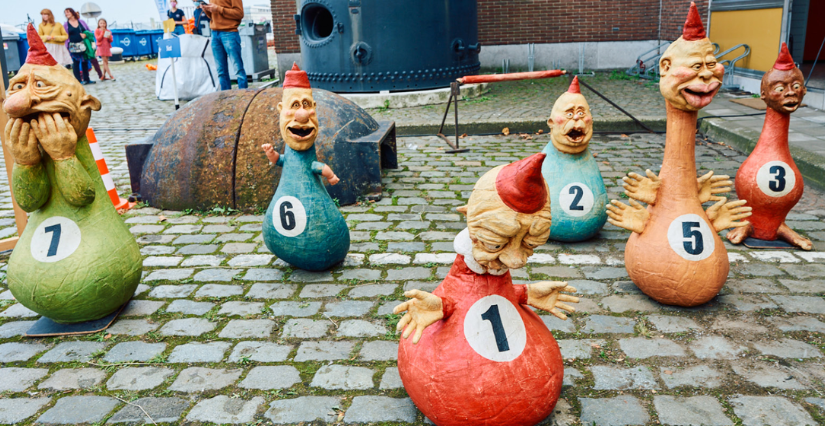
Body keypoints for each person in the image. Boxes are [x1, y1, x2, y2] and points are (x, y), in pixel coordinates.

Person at [202, 0, 247, 90]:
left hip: (229, 32)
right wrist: (207, 10)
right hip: (214, 33)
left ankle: (244, 96)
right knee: (221, 71)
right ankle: (225, 98)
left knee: (238, 69)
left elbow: (239, 14)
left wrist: (218, 9)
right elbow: (213, 16)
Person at [63, 8, 103, 81]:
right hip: (73, 46)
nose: (66, 14)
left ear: (72, 12)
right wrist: (66, 47)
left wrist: (85, 35)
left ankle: (86, 79)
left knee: (85, 61)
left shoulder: (81, 22)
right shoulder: (66, 24)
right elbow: (65, 36)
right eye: (65, 13)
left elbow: (89, 31)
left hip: (83, 45)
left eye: (68, 12)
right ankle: (78, 80)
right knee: (76, 62)